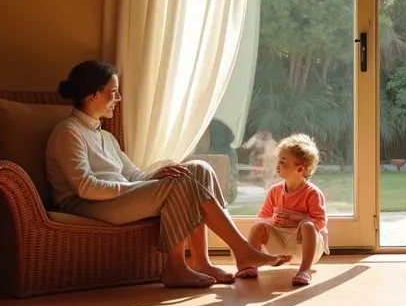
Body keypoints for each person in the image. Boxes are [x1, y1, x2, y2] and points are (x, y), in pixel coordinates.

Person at [46, 60, 290, 289]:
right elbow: (85, 187)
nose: (118, 98)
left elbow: (130, 173)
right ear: (94, 94)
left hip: (116, 197)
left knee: (196, 169)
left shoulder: (104, 136)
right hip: (85, 205)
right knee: (180, 182)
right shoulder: (68, 132)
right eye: (113, 92)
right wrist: (143, 188)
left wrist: (155, 176)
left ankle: (201, 262)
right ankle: (184, 266)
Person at [238, 134, 328, 286]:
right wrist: (273, 221)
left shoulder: (312, 193)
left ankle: (304, 270)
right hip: (280, 242)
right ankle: (250, 265)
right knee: (258, 227)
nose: (278, 164)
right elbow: (263, 217)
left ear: (300, 168)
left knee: (308, 226)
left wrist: (299, 221)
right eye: (279, 160)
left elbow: (320, 222)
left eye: (284, 161)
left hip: (303, 245)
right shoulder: (274, 191)